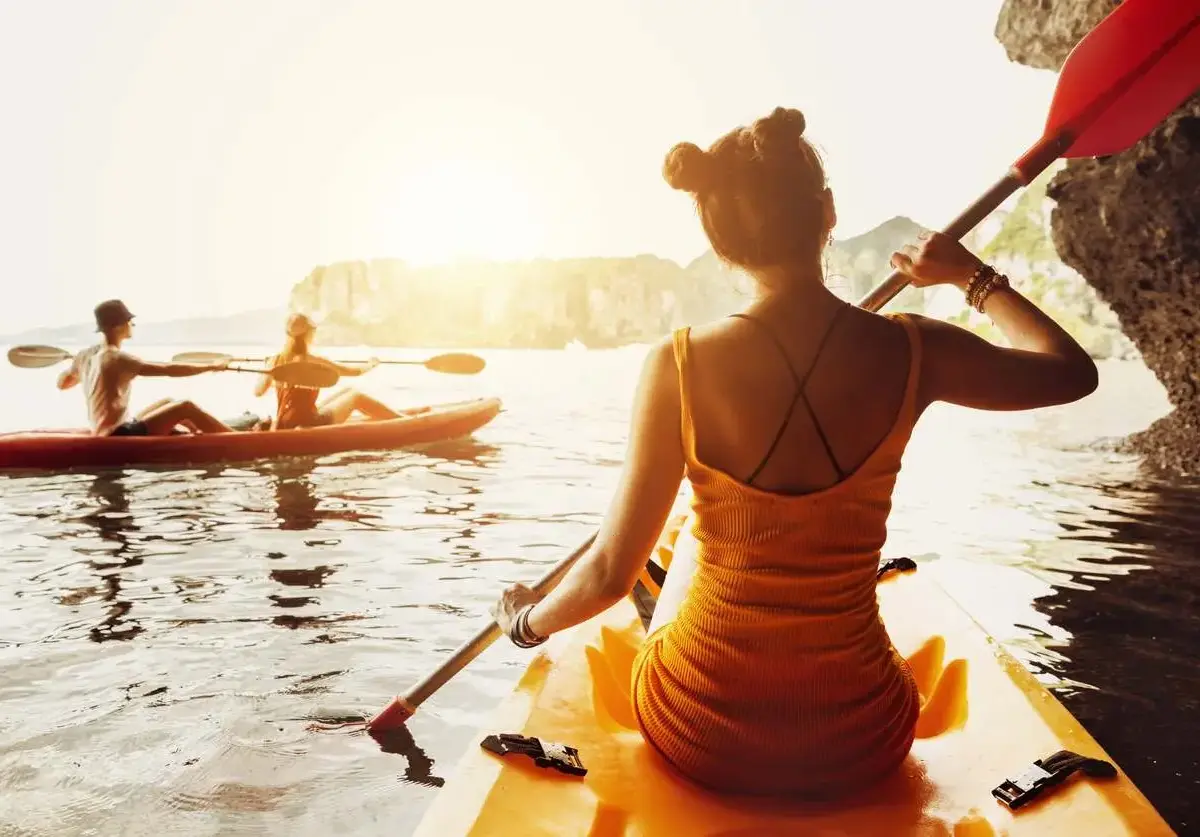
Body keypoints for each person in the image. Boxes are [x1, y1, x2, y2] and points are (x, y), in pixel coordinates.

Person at [491, 107, 1098, 798]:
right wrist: (970, 277)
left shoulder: (679, 364)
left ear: (720, 245)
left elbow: (605, 573)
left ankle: (670, 600)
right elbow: (1072, 371)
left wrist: (522, 621)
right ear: (828, 213)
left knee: (688, 533)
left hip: (701, 730)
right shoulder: (916, 350)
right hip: (860, 735)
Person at [57, 299, 234, 436]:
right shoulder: (117, 358)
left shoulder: (84, 355)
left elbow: (63, 384)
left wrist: (83, 371)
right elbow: (169, 370)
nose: (132, 325)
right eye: (129, 321)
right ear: (118, 326)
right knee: (186, 407)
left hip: (110, 427)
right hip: (118, 434)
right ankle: (236, 438)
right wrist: (211, 366)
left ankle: (198, 433)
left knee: (168, 402)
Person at [254, 313, 401, 429]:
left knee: (348, 390)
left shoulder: (273, 362)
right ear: (308, 334)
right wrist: (371, 364)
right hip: (309, 423)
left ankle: (396, 420)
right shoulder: (313, 360)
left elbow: (258, 392)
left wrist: (265, 370)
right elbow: (353, 372)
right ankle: (403, 422)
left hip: (283, 424)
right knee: (356, 396)